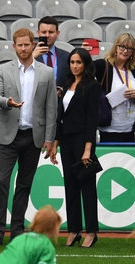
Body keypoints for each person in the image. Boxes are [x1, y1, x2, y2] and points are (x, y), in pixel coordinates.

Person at [0, 28, 57, 246]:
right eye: (20, 45)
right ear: (14, 46)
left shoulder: (46, 72)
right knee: (1, 183)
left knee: (24, 185)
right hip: (8, 134)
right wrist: (7, 102)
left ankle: (16, 230)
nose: (24, 48)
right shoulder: (3, 70)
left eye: (27, 44)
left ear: (33, 44)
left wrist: (49, 138)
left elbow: (51, 108)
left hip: (34, 137)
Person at [52, 48, 101, 248]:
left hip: (83, 140)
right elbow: (60, 116)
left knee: (87, 188)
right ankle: (74, 230)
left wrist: (88, 149)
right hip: (66, 140)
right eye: (72, 62)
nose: (75, 66)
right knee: (70, 186)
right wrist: (55, 142)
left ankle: (91, 231)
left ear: (86, 64)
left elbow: (92, 120)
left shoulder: (92, 86)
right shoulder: (65, 84)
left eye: (79, 62)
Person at [92, 33, 135, 143]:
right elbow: (86, 69)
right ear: (116, 47)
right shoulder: (104, 65)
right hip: (109, 126)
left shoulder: (134, 69)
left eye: (129, 48)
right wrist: (85, 53)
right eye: (122, 47)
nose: (125, 51)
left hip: (129, 125)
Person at [33, 16, 70, 91]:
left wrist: (63, 89)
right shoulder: (28, 55)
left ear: (57, 33)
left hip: (58, 100)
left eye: (51, 32)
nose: (47, 35)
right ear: (38, 33)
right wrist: (31, 58)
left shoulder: (67, 56)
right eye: (44, 32)